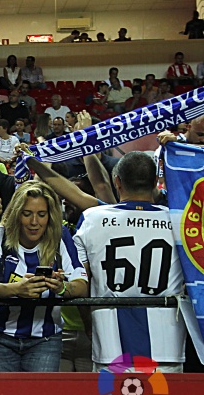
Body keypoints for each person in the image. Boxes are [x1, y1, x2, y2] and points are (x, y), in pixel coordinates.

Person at [73, 152, 187, 373]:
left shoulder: (91, 219)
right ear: (155, 182)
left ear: (117, 182)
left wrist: (88, 322)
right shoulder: (179, 222)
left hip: (110, 345)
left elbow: (80, 282)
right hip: (167, 345)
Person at [0, 180, 89, 372]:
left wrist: (61, 287)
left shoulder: (60, 237)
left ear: (50, 216)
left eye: (41, 214)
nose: (34, 222)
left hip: (45, 339)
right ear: (16, 214)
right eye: (27, 214)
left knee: (41, 394)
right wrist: (17, 289)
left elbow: (81, 285)